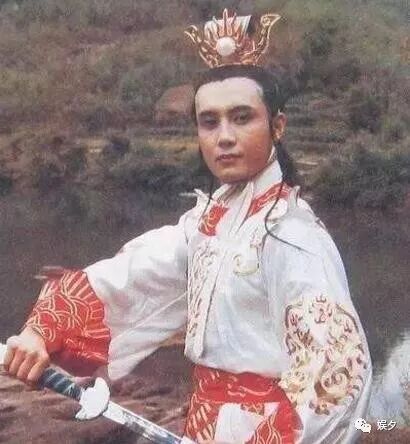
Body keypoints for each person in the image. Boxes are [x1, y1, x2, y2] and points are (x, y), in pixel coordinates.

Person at [3, 9, 372, 444]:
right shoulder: (208, 225)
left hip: (264, 431)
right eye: (209, 121)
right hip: (203, 424)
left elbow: (335, 376)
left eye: (242, 117)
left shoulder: (293, 236)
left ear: (277, 126)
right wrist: (42, 332)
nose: (224, 136)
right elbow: (131, 277)